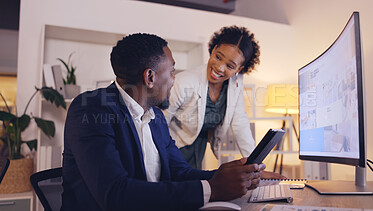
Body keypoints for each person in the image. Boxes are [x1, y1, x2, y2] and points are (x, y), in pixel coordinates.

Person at [61, 33, 265, 211]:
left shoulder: (156, 117)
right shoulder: (91, 109)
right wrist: (213, 188)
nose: (174, 79)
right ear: (150, 77)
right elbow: (115, 194)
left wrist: (228, 175)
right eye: (172, 71)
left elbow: (178, 172)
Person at [164, 26, 285, 179]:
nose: (219, 68)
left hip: (197, 153)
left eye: (230, 66)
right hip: (171, 152)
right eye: (218, 57)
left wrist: (256, 167)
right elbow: (159, 123)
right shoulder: (185, 82)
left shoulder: (235, 84)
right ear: (214, 49)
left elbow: (240, 123)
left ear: (239, 69)